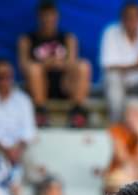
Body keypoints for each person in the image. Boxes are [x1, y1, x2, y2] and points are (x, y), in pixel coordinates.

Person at [17, 0, 92, 128]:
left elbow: (72, 62)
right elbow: (23, 66)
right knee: (34, 69)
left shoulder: (68, 38)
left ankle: (78, 111)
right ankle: (40, 111)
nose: (48, 20)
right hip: (40, 84)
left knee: (83, 65)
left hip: (64, 84)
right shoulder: (27, 39)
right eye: (44, 16)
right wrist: (45, 65)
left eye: (51, 16)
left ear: (57, 17)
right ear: (38, 17)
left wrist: (58, 64)